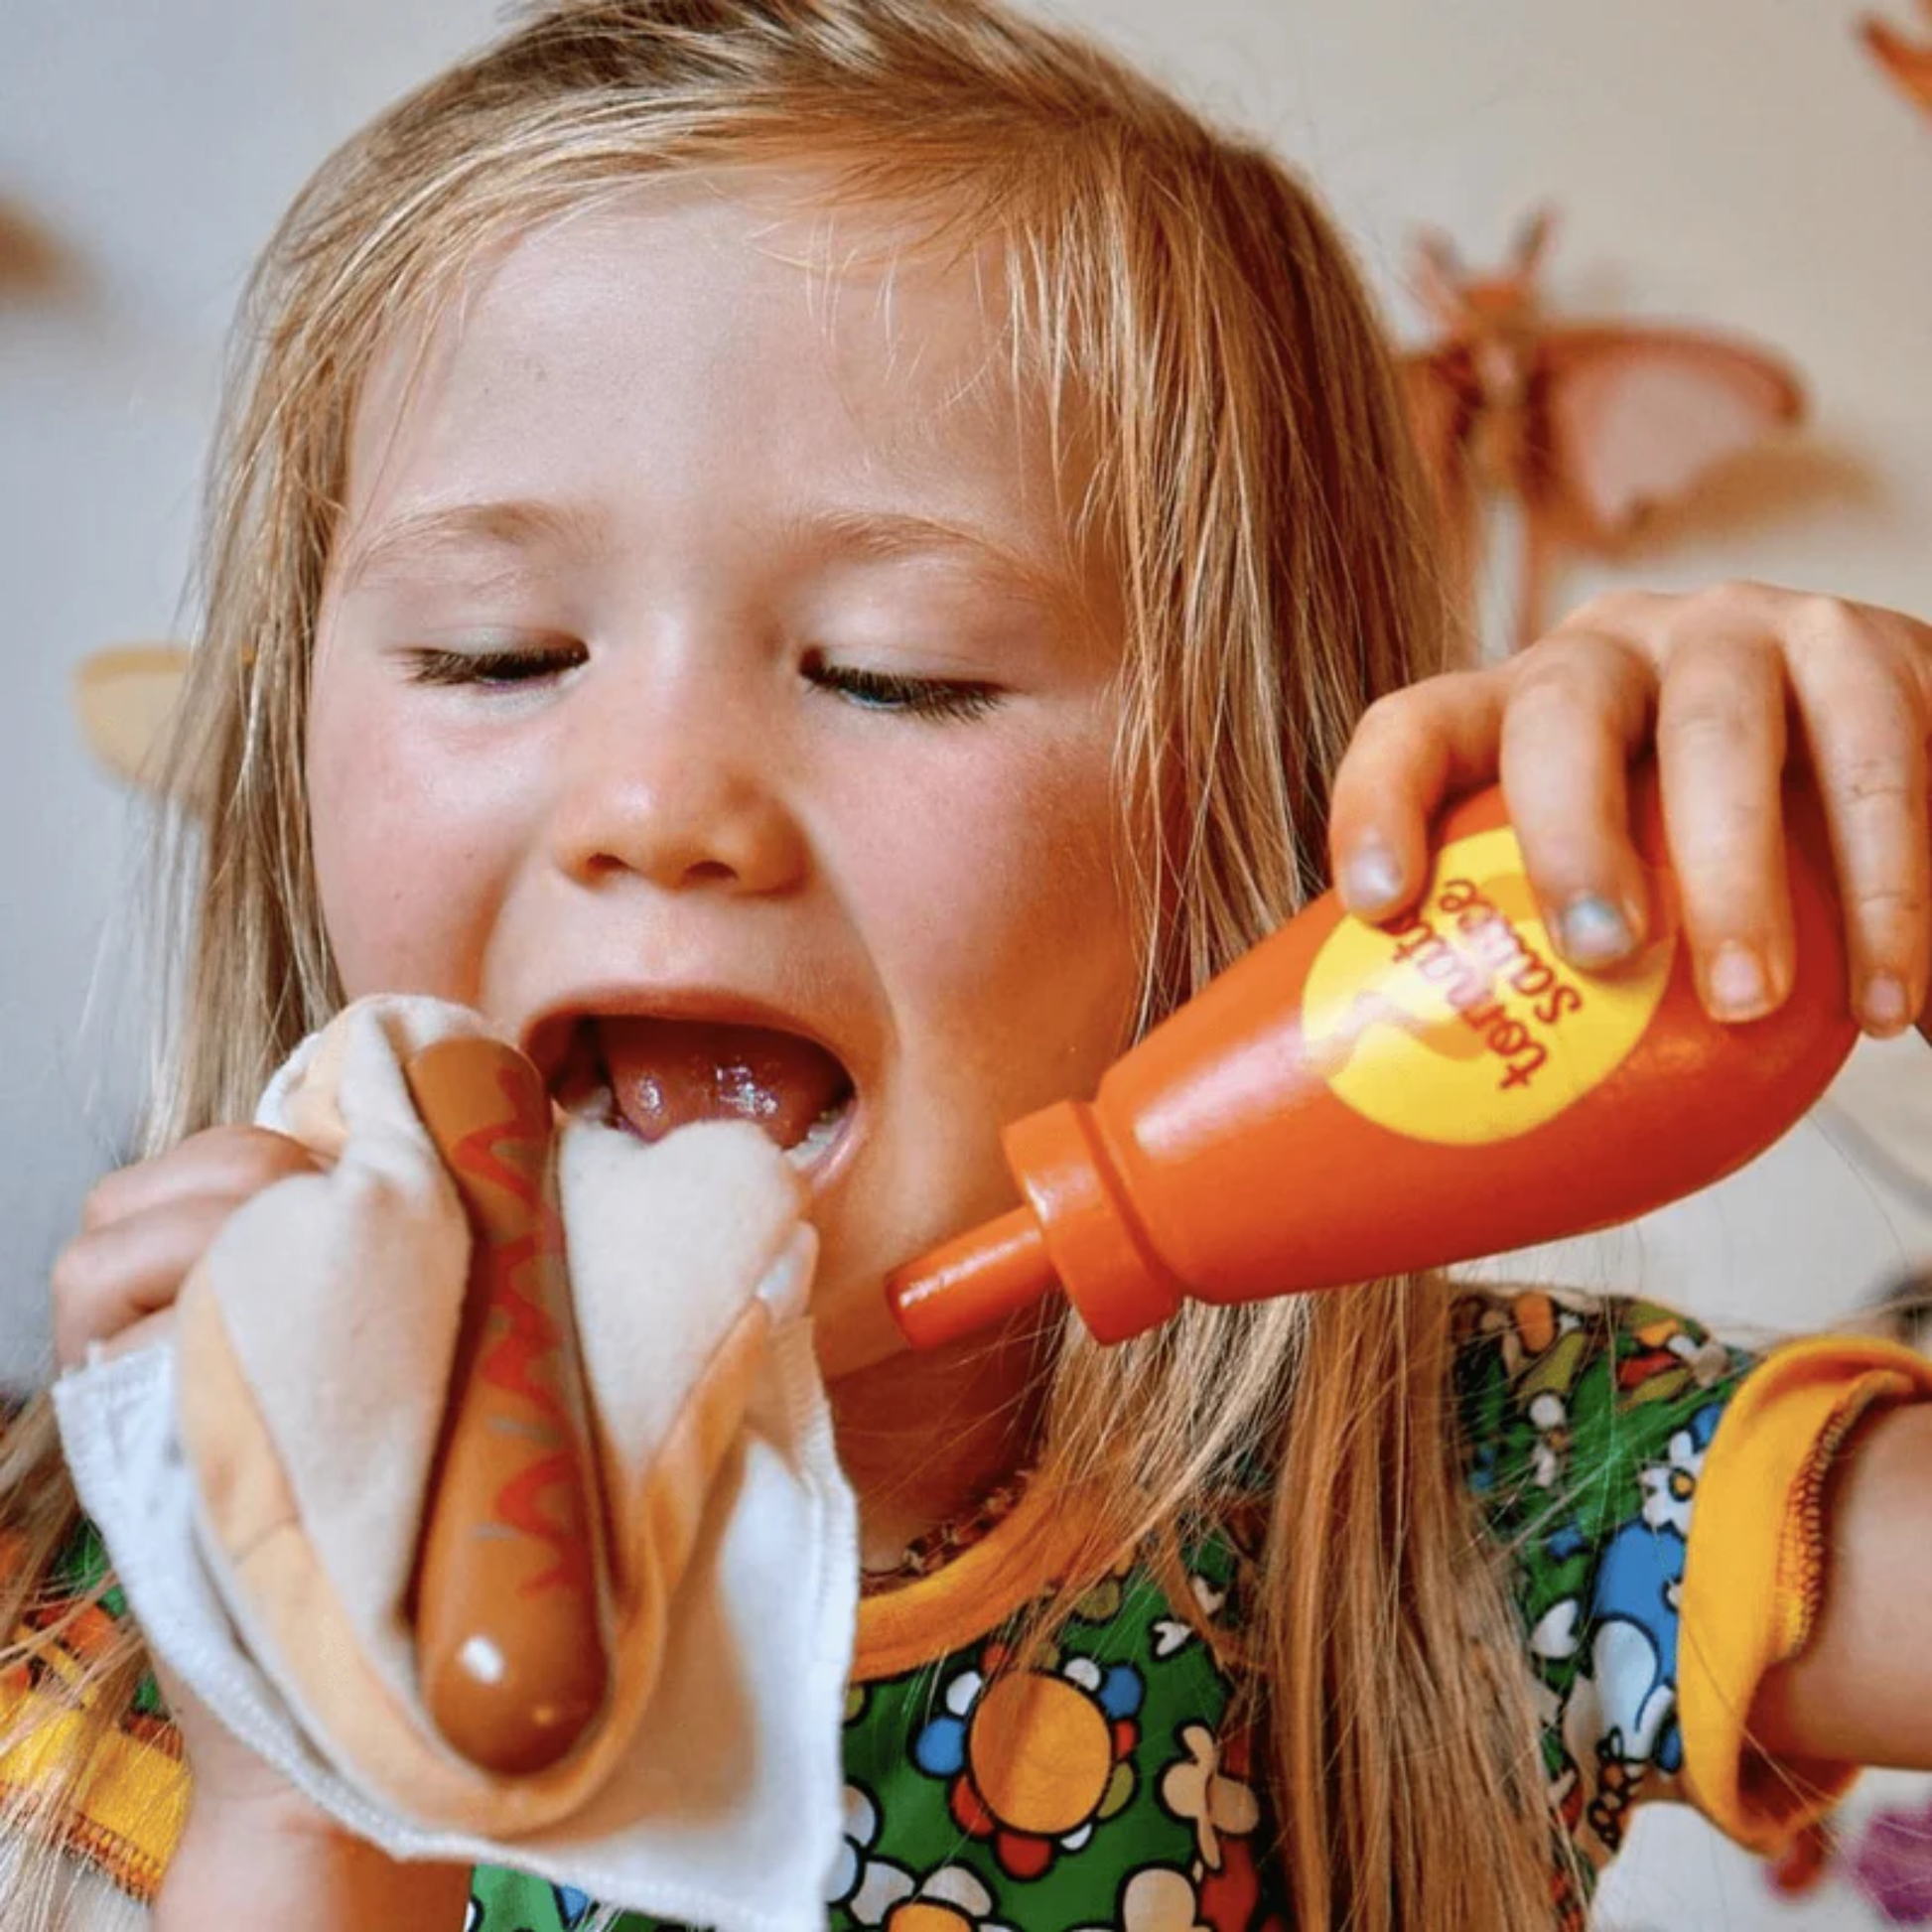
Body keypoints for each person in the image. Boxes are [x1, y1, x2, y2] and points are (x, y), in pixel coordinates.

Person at [4, 3, 1931, 1928]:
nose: (658, 800)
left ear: (1251, 820)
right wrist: (294, 1798)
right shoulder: (99, 1602)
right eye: (498, 652)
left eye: (892, 671)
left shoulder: (1494, 1497)